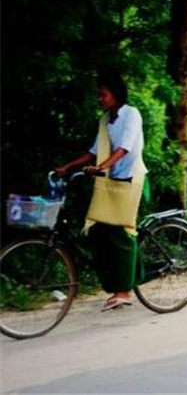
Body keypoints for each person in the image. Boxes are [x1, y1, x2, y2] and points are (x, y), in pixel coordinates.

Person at [56, 71, 148, 310]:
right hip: (112, 183)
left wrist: (101, 167)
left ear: (115, 94)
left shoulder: (131, 115)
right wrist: (68, 167)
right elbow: (95, 150)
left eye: (103, 94)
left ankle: (124, 291)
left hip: (131, 180)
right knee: (98, 231)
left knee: (121, 234)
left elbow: (125, 148)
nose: (100, 98)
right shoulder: (106, 120)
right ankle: (124, 281)